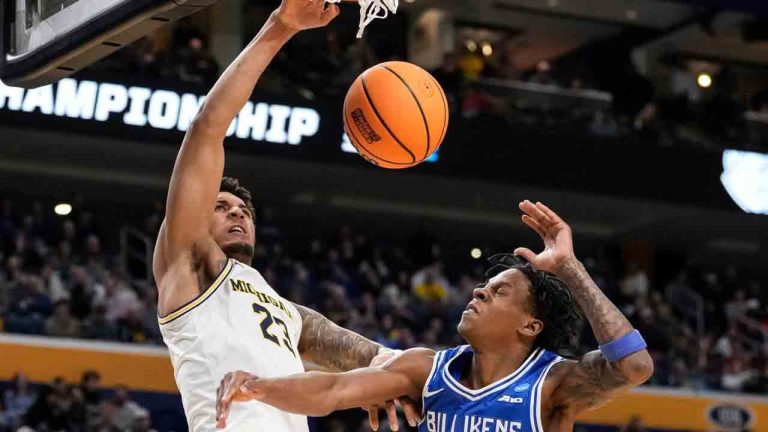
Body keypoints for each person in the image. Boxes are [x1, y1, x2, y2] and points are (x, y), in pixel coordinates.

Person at [153, 0, 414, 430]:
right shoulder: (189, 262)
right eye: (221, 207)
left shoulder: (281, 309)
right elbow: (207, 128)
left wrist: (395, 375)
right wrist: (280, 26)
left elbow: (358, 351)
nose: (237, 214)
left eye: (245, 210)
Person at [217, 201, 655, 431]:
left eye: (499, 291)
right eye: (484, 285)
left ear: (530, 324)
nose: (479, 290)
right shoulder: (428, 369)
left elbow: (633, 366)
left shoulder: (554, 384)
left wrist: (567, 268)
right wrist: (257, 386)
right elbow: (332, 389)